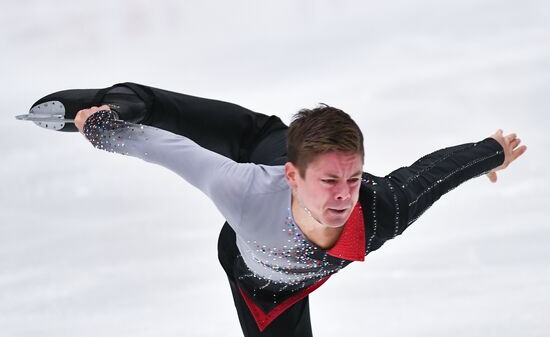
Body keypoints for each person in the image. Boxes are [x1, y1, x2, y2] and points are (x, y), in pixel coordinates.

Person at [31, 82, 526, 336]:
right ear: (295, 175)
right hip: (263, 166)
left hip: (265, 289)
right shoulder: (244, 190)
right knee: (183, 117)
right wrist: (104, 129)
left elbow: (431, 175)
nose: (344, 195)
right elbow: (170, 150)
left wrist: (491, 152)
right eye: (331, 181)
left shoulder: (379, 210)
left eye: (353, 178)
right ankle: (113, 102)